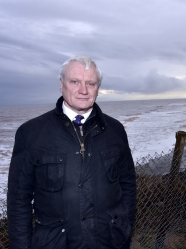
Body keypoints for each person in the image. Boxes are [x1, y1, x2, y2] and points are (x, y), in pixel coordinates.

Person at [7, 56, 137, 249]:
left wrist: (123, 228)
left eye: (90, 83)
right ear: (61, 85)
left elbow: (128, 184)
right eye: (74, 82)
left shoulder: (115, 130)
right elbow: (19, 200)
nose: (83, 90)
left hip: (110, 242)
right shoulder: (31, 133)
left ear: (98, 88)